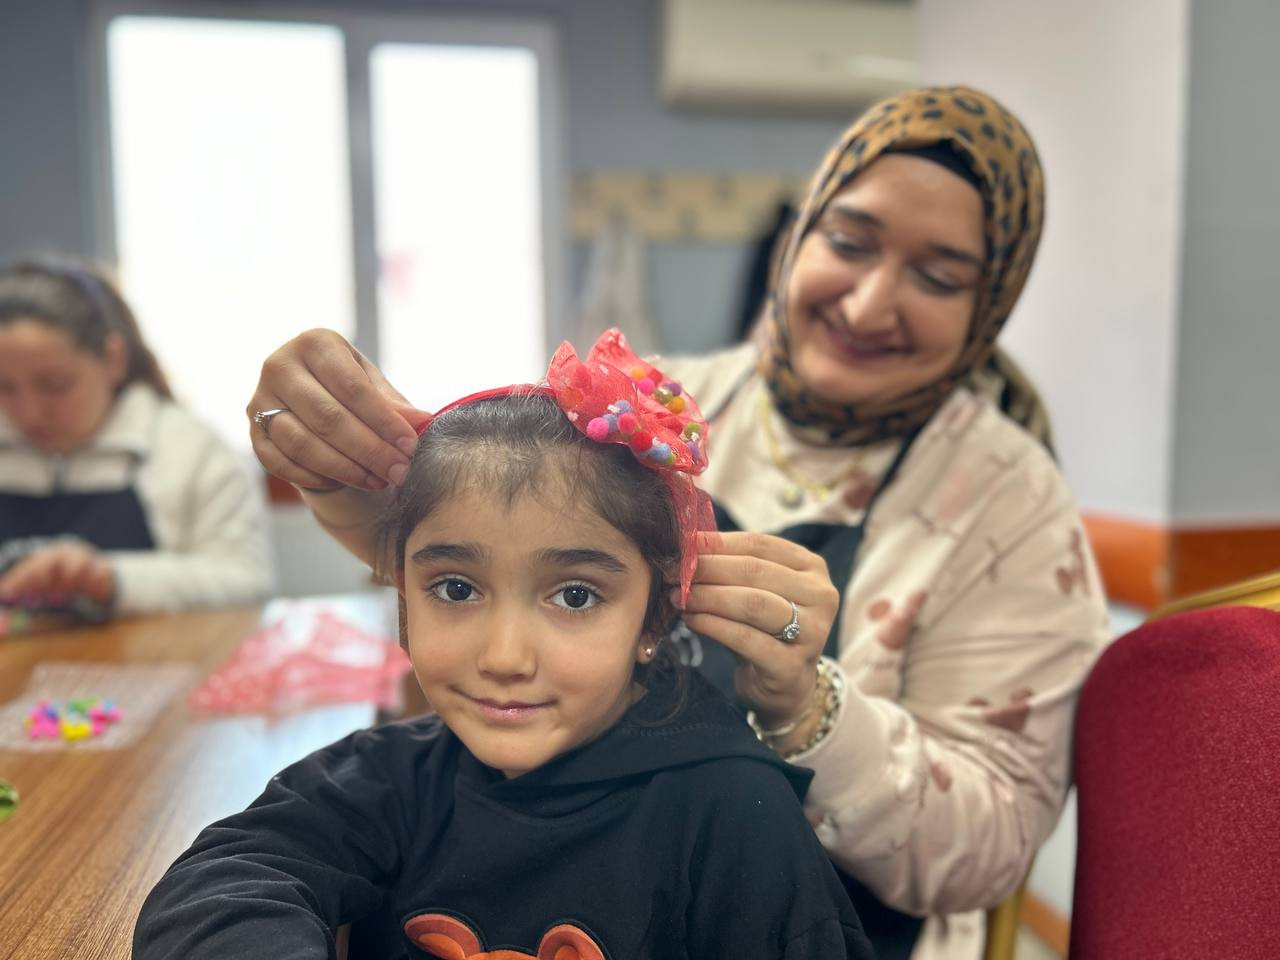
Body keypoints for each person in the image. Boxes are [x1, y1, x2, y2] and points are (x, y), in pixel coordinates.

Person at [245, 85, 1111, 960]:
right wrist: (339, 460)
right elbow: (494, 557)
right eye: (849, 243)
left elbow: (990, 850)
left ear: (989, 304)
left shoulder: (1013, 506)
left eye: (938, 278)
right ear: (797, 238)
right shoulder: (646, 410)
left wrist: (808, 709)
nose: (867, 303)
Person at [134, 333, 874, 960]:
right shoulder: (395, 781)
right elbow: (217, 889)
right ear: (403, 592)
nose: (505, 658)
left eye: (575, 596)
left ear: (652, 620)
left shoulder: (736, 812)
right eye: (456, 589)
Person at [0, 258, 271, 623]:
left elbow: (246, 582)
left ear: (113, 359)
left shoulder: (191, 450)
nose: (29, 412)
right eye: (4, 387)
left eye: (55, 385)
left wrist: (109, 578)